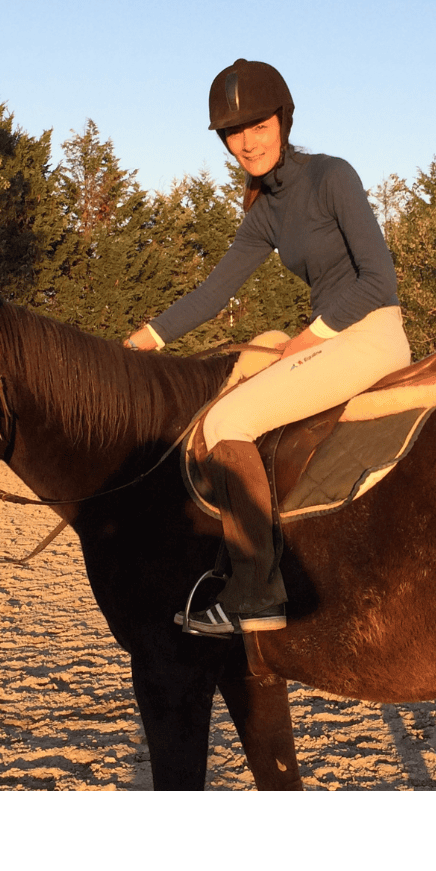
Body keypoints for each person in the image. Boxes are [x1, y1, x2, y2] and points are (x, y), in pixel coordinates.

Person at [124, 59, 411, 635]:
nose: (248, 142)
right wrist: (142, 341)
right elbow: (214, 293)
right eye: (234, 132)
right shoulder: (264, 212)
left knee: (226, 421)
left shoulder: (332, 176)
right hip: (329, 338)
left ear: (283, 121)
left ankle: (257, 595)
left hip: (371, 333)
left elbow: (379, 280)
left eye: (259, 126)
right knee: (252, 357)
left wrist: (309, 339)